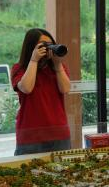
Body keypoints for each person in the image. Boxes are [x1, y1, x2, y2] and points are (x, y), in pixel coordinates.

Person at [11, 28, 71, 156]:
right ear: (31, 47)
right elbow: (26, 88)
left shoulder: (58, 68)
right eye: (43, 45)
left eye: (50, 45)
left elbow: (66, 89)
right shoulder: (19, 68)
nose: (48, 48)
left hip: (58, 132)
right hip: (30, 135)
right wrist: (33, 61)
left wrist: (58, 66)